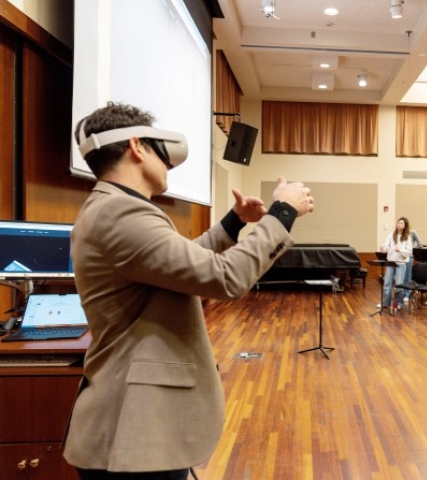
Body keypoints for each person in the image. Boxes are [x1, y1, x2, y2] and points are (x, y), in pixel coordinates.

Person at [62, 102, 315, 479]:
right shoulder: (121, 214)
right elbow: (226, 278)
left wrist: (233, 223)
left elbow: (180, 263)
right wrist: (282, 214)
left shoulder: (112, 208)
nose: (168, 165)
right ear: (137, 147)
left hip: (140, 428)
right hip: (135, 431)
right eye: (161, 154)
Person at [379, 217, 413, 310]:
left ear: (405, 226)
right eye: (398, 223)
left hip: (400, 263)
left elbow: (409, 252)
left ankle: (398, 303)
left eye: (402, 223)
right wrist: (383, 248)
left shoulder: (407, 237)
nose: (399, 225)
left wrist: (400, 250)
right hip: (390, 262)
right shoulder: (391, 235)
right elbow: (386, 246)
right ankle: (385, 303)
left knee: (398, 284)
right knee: (387, 283)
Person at [401, 224, 424, 303]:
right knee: (402, 276)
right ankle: (402, 293)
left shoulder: (412, 232)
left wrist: (412, 249)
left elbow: (420, 244)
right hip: (401, 257)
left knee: (408, 276)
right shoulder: (400, 233)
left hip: (409, 257)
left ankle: (408, 294)